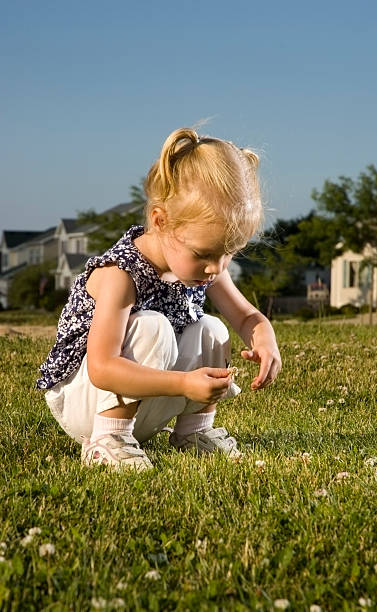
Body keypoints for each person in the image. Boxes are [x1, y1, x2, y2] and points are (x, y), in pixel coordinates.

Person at [37, 128, 282, 471]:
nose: (216, 267)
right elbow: (102, 367)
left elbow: (244, 317)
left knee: (211, 328)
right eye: (205, 253)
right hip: (88, 402)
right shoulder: (121, 275)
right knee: (154, 326)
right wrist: (184, 383)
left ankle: (193, 433)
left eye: (229, 253)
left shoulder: (201, 268)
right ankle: (108, 439)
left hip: (146, 399)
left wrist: (264, 338)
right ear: (160, 221)